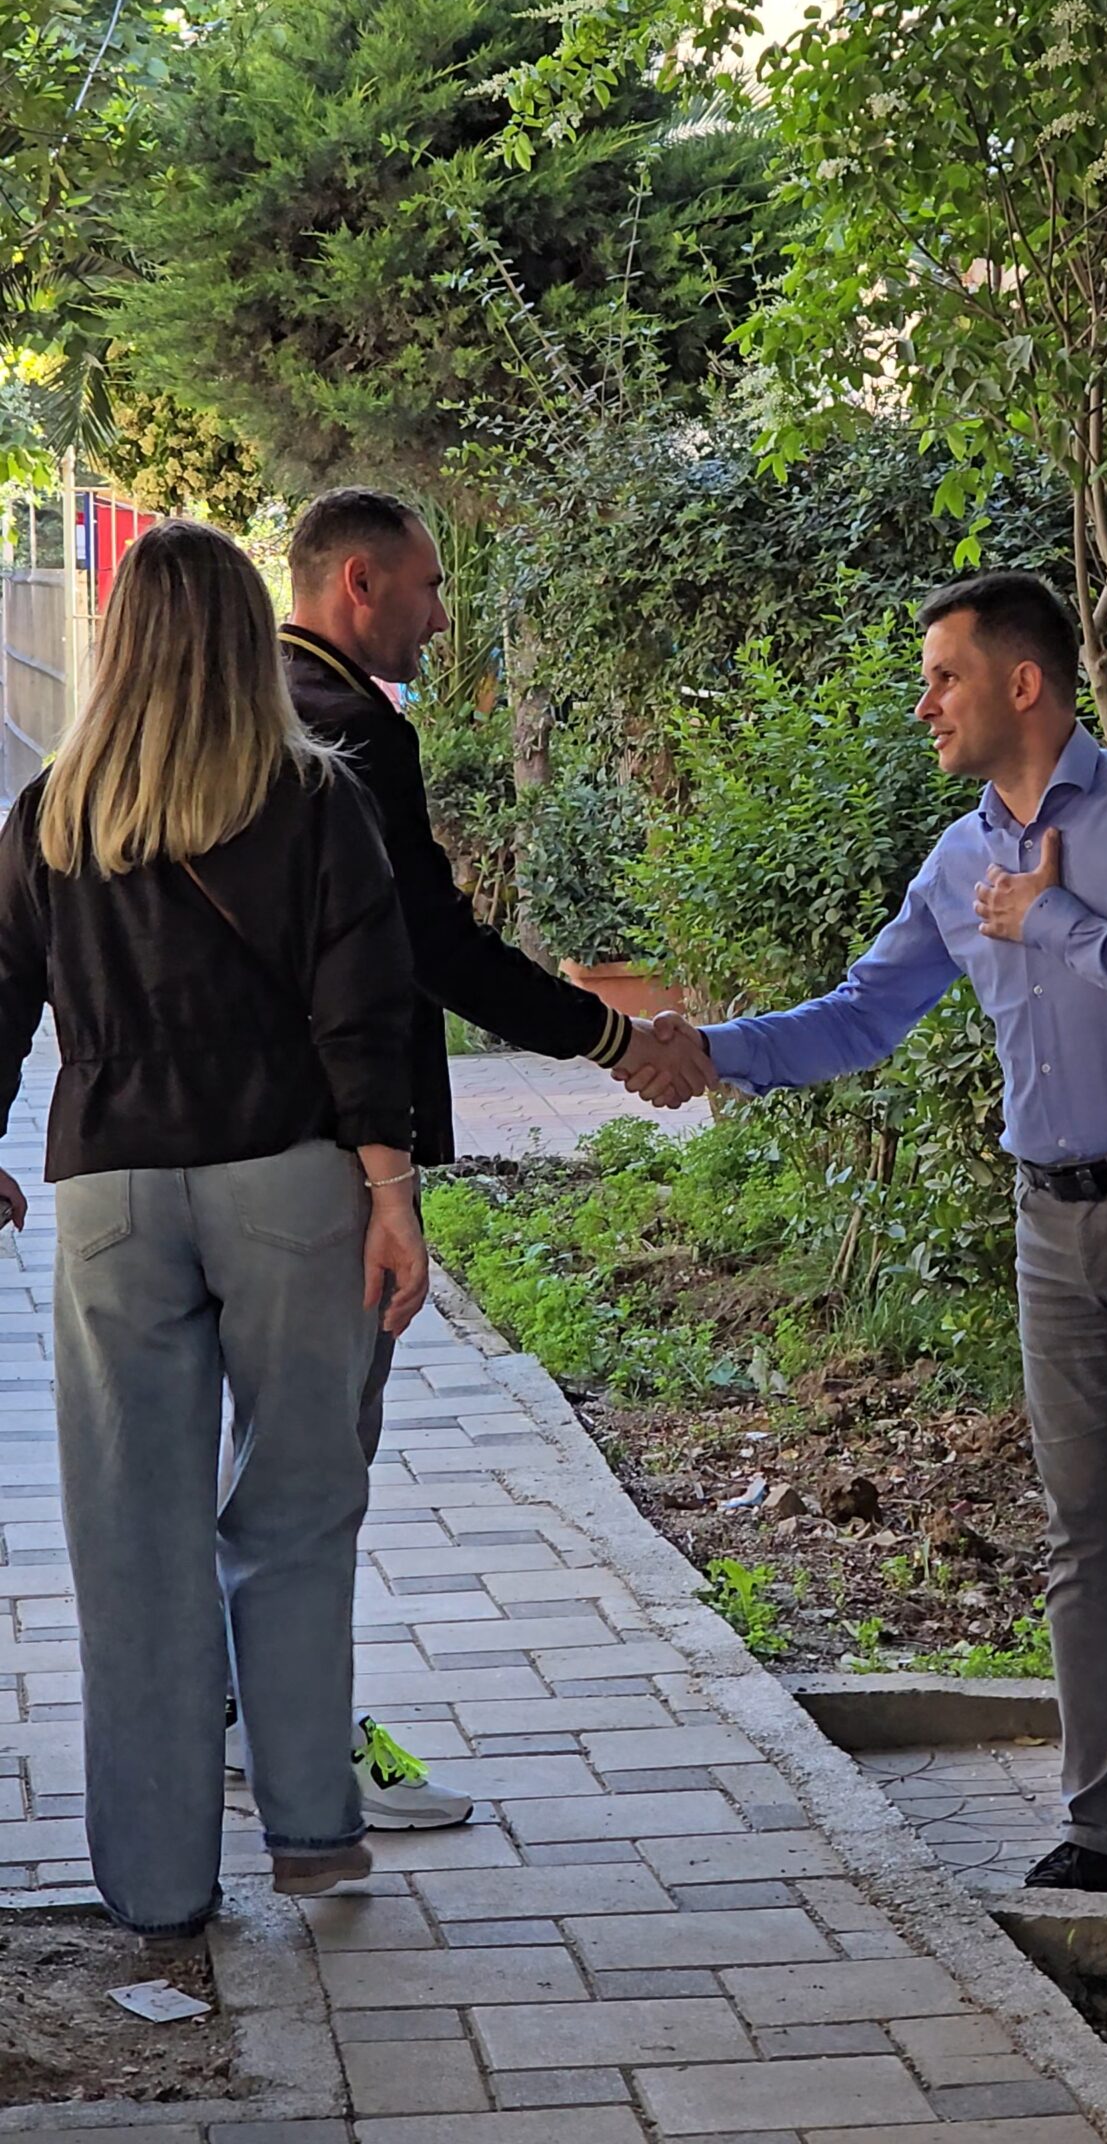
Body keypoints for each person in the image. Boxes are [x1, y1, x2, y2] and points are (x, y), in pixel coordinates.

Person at [628, 573, 1107, 1906]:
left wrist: (1058, 922)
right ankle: (1106, 1838)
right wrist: (708, 1052)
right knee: (1084, 1537)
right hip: (1052, 1225)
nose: (926, 706)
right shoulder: (958, 862)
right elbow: (862, 1014)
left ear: (1023, 684)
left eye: (943, 678)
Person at [0, 521, 426, 1939]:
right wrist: (391, 1196)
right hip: (287, 1182)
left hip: (107, 1192)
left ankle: (159, 1884)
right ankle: (307, 1827)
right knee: (297, 1509)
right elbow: (365, 1011)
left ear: (119, 645)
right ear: (248, 639)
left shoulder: (55, 813)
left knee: (131, 1540)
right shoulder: (315, 800)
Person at [266, 487, 705, 1830]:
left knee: (262, 1461)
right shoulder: (350, 730)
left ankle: (249, 1722)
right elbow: (432, 949)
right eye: (428, 586)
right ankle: (300, 1748)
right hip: (335, 1150)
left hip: (222, 1148)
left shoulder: (239, 704)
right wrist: (612, 1037)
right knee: (315, 1468)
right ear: (358, 582)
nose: (443, 616)